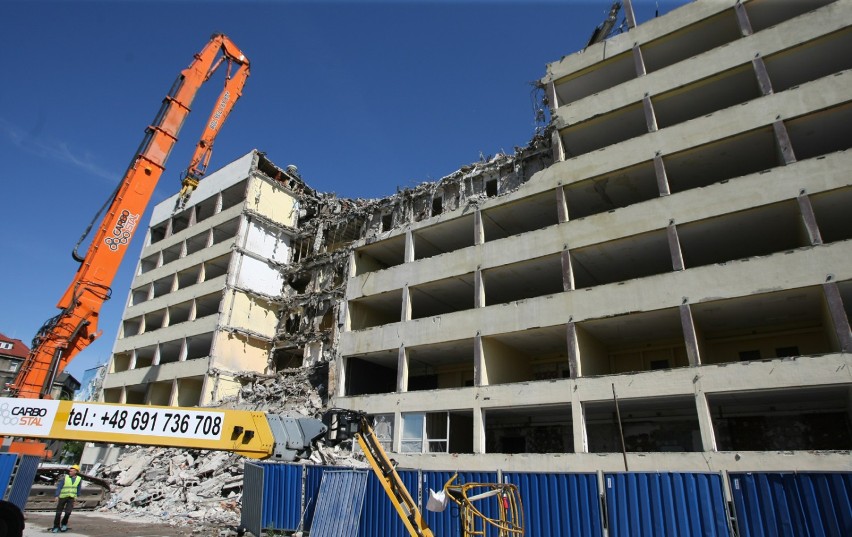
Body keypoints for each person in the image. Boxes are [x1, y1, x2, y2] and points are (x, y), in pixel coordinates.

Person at [52, 464, 82, 533]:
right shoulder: (65, 478)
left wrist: (77, 497)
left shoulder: (79, 479)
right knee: (58, 513)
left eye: (71, 471)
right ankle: (56, 526)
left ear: (76, 472)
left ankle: (64, 524)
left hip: (71, 498)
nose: (70, 472)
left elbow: (78, 488)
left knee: (68, 512)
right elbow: (59, 486)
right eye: (70, 471)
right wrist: (57, 495)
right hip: (63, 497)